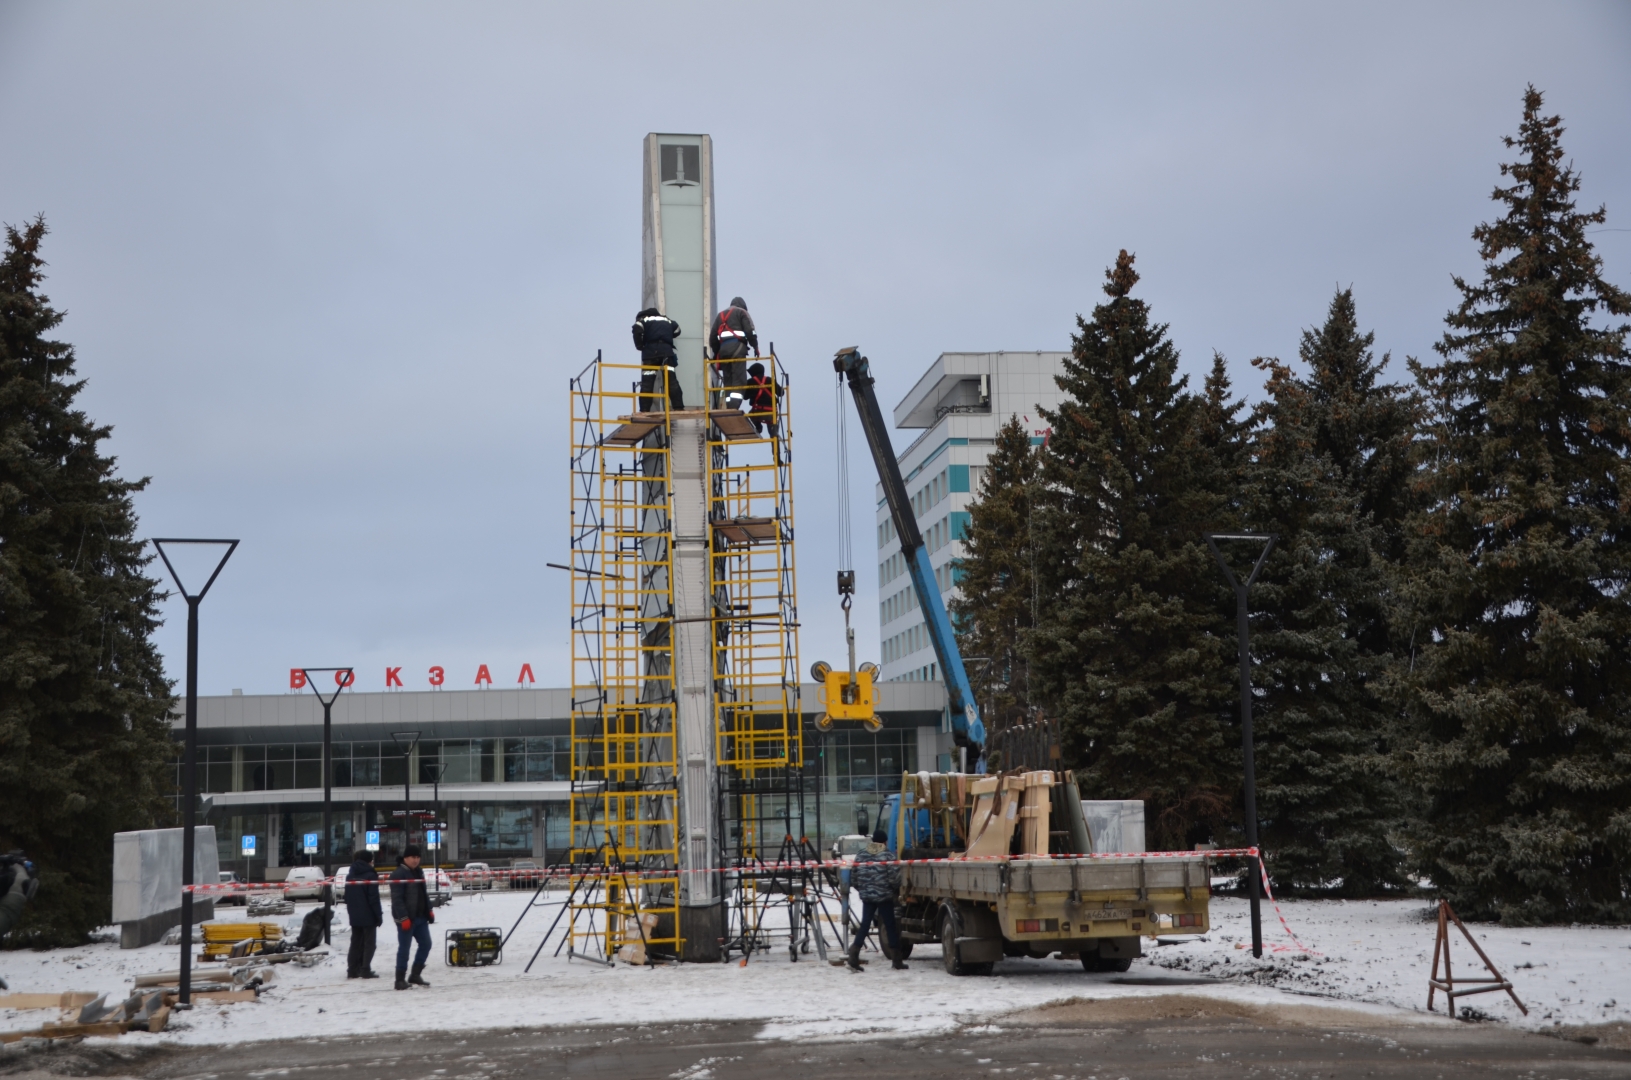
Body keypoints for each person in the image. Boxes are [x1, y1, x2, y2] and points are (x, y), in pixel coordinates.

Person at [846, 830, 907, 972]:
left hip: (867, 897)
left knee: (865, 925)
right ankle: (897, 960)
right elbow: (895, 878)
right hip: (884, 897)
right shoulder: (887, 855)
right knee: (890, 926)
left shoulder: (861, 854)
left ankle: (853, 955)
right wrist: (894, 889)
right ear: (884, 841)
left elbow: (853, 877)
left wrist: (863, 889)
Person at [389, 845, 435, 990]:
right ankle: (400, 979)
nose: (416, 860)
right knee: (405, 949)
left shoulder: (419, 872)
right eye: (412, 857)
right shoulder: (398, 874)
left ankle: (415, 974)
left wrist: (430, 910)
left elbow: (423, 894)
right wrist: (403, 918)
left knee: (426, 944)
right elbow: (397, 899)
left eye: (417, 857)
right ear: (405, 858)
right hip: (407, 919)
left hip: (421, 917)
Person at [707, 296, 758, 409]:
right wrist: (755, 346)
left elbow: (712, 338)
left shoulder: (720, 315)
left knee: (728, 382)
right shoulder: (742, 312)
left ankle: (729, 405)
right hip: (738, 350)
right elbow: (750, 332)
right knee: (739, 381)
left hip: (724, 353)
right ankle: (733, 408)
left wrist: (716, 353)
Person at [632, 307, 683, 412]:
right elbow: (678, 330)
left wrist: (640, 346)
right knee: (671, 381)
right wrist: (668, 335)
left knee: (647, 382)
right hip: (667, 352)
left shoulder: (644, 320)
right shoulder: (667, 320)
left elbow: (636, 329)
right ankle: (678, 407)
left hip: (650, 353)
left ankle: (644, 410)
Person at [343, 849, 383, 979]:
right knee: (369, 943)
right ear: (369, 861)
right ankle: (365, 969)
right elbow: (373, 898)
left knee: (355, 942)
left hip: (354, 914)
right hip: (368, 915)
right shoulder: (370, 875)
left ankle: (352, 970)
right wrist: (378, 915)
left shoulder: (350, 875)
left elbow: (346, 897)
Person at [745, 362, 777, 437]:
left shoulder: (750, 382)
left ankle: (758, 427)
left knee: (749, 415)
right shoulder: (770, 380)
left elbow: (745, 397)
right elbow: (781, 393)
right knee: (773, 433)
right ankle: (775, 443)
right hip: (771, 413)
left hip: (757, 412)